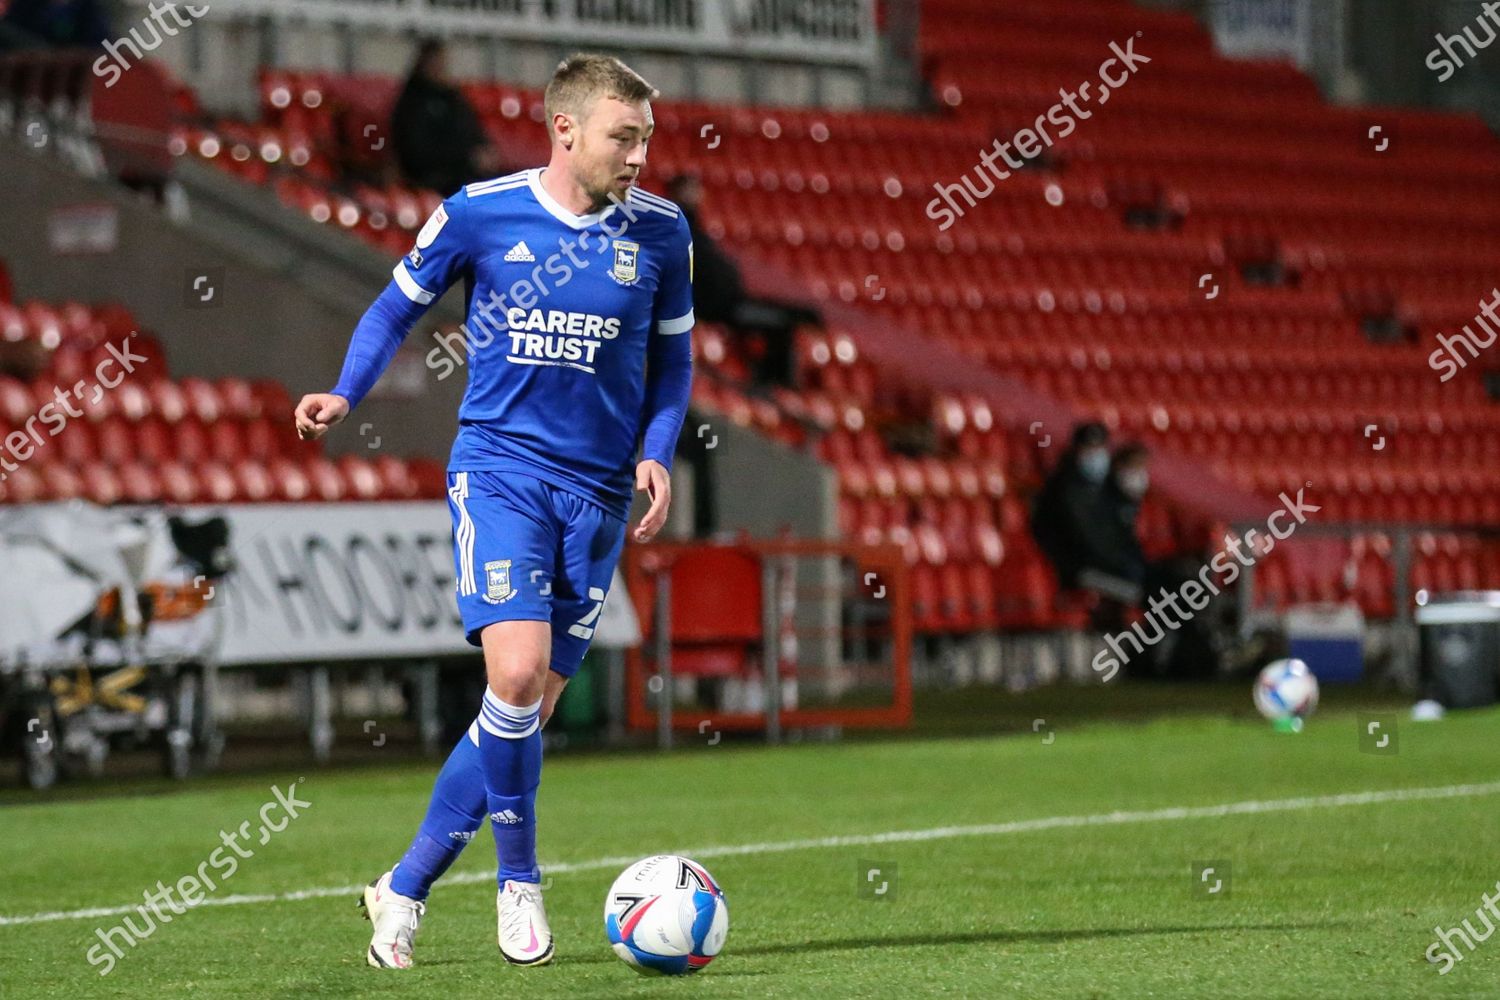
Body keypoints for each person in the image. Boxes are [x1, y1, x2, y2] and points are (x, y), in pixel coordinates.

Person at [294, 53, 693, 970]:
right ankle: (520, 883)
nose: (639, 155)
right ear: (565, 130)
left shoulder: (664, 234)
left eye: (646, 138)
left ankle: (401, 890)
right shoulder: (481, 211)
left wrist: (656, 453)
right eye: (622, 137)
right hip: (502, 474)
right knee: (514, 680)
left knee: (518, 715)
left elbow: (672, 366)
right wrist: (348, 391)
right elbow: (395, 308)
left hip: (596, 497)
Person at [667, 172, 815, 388]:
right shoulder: (680, 226)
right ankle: (776, 384)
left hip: (727, 301)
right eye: (689, 189)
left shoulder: (692, 226)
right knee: (782, 322)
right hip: (717, 307)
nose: (696, 194)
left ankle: (775, 382)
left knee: (792, 315)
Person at [1030, 422, 1137, 596]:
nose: (1096, 455)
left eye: (1100, 448)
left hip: (1111, 566)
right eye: (1089, 449)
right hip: (1082, 570)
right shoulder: (1063, 490)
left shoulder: (1106, 487)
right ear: (1076, 451)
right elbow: (1084, 539)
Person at [389, 38, 501, 196]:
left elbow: (473, 130)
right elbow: (417, 150)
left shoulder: (454, 98)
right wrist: (466, 157)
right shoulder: (412, 102)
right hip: (434, 176)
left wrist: (484, 150)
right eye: (434, 62)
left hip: (465, 171)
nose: (439, 68)